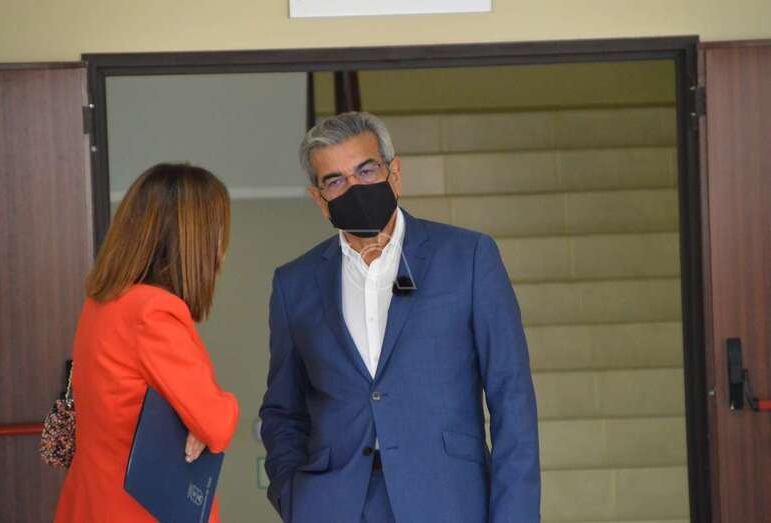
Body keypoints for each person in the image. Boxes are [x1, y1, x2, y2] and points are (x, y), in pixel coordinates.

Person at [259, 112, 540, 523]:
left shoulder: (467, 258)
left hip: (448, 502)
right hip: (333, 506)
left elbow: (512, 398)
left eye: (366, 170)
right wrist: (294, 497)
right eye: (335, 181)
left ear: (394, 174)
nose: (354, 188)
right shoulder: (294, 284)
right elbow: (283, 410)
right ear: (319, 199)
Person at [53, 163, 240, 523]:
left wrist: (196, 420)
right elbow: (215, 423)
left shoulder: (103, 303)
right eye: (217, 233)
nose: (222, 250)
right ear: (192, 240)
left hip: (93, 502)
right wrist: (219, 409)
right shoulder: (153, 311)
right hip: (138, 510)